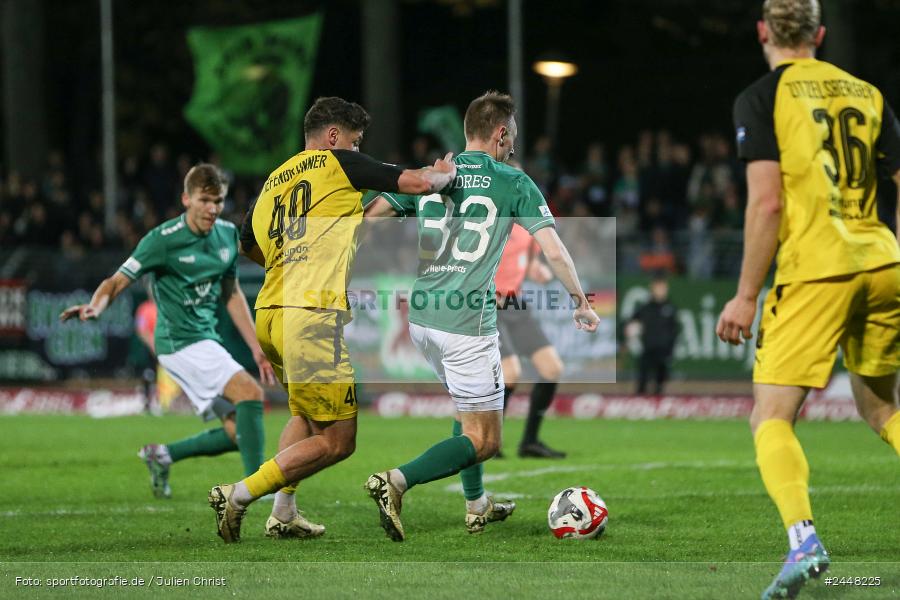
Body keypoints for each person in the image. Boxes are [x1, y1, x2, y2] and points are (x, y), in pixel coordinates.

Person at [207, 96, 457, 543]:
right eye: (355, 142)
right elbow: (418, 182)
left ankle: (283, 512)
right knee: (340, 440)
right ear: (334, 136)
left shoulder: (274, 181)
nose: (358, 151)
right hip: (311, 317)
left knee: (305, 417)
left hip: (271, 313)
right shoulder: (338, 163)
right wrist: (445, 173)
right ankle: (239, 495)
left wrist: (292, 260)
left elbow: (246, 244)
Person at [716, 1, 900, 597]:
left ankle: (803, 542)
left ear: (763, 32)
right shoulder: (868, 94)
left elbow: (767, 202)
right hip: (883, 263)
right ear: (819, 34)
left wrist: (746, 295)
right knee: (882, 410)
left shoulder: (762, 97)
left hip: (817, 271)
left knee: (771, 416)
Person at [363, 91, 599, 541]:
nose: (514, 145)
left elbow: (370, 216)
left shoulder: (433, 175)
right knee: (486, 440)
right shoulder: (514, 182)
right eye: (513, 137)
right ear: (501, 133)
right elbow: (554, 250)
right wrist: (580, 301)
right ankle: (395, 481)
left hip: (423, 317)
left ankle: (477, 506)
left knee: (466, 409)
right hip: (467, 324)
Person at [60, 164, 277, 501]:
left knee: (240, 431)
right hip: (179, 342)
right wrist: (96, 306)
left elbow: (232, 293)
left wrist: (256, 347)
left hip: (205, 338)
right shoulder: (162, 240)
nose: (212, 208)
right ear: (186, 199)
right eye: (204, 200)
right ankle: (256, 489)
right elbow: (117, 281)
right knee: (250, 393)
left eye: (218, 201)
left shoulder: (227, 235)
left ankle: (162, 455)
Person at [495, 223, 566, 459]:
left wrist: (537, 269)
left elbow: (528, 261)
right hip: (486, 303)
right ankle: (489, 441)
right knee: (510, 373)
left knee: (552, 368)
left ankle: (530, 442)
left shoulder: (528, 227)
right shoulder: (488, 219)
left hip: (515, 303)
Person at [626, 275, 679, 395]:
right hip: (647, 349)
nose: (661, 290)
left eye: (663, 287)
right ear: (652, 288)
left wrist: (670, 349)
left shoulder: (671, 308)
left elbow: (674, 331)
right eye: (658, 287)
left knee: (660, 382)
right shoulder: (645, 308)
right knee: (642, 381)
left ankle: (658, 399)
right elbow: (631, 323)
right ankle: (640, 400)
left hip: (663, 351)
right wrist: (632, 331)